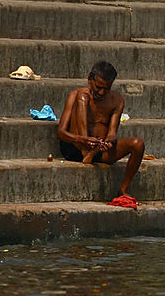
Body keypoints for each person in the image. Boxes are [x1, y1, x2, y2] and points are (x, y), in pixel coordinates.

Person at [56, 61, 145, 199]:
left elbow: (112, 133)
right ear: (90, 80)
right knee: (82, 97)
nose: (101, 92)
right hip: (76, 147)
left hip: (99, 150)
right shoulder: (76, 95)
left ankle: (122, 190)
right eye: (98, 87)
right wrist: (83, 139)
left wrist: (108, 142)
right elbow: (61, 133)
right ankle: (87, 152)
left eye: (106, 89)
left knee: (138, 144)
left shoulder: (117, 100)